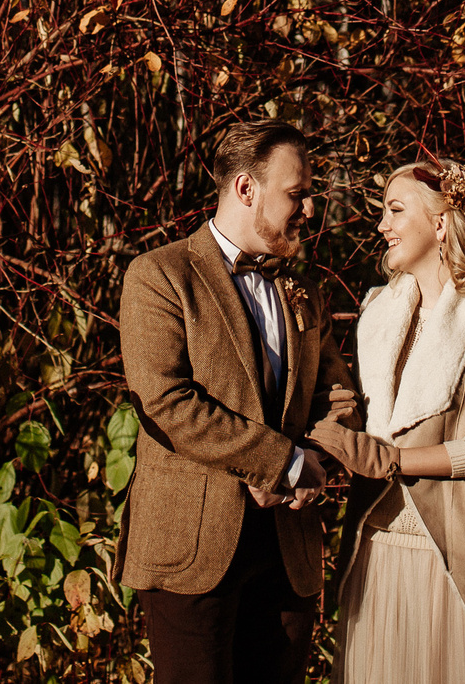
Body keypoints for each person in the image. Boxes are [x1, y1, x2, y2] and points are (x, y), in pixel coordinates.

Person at [117, 117, 354, 684]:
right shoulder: (159, 275)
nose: (309, 209)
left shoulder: (304, 289)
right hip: (191, 548)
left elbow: (339, 394)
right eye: (296, 193)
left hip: (288, 552)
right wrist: (283, 463)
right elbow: (166, 402)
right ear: (247, 188)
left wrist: (315, 456)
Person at [311, 159, 465, 684]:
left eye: (395, 210)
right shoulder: (377, 312)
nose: (382, 226)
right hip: (378, 547)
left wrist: (392, 460)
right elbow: (365, 416)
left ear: (441, 223)